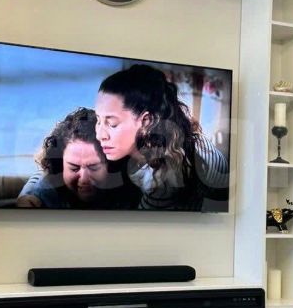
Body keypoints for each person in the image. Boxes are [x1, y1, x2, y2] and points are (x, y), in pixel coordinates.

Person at [94, 64, 229, 211]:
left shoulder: (162, 179)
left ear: (146, 121)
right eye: (98, 120)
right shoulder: (177, 138)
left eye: (112, 123)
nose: (100, 135)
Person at [16, 108, 123, 209]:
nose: (84, 179)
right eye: (74, 168)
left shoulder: (128, 185)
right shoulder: (42, 195)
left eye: (93, 167)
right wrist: (29, 195)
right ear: (60, 165)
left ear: (112, 164)